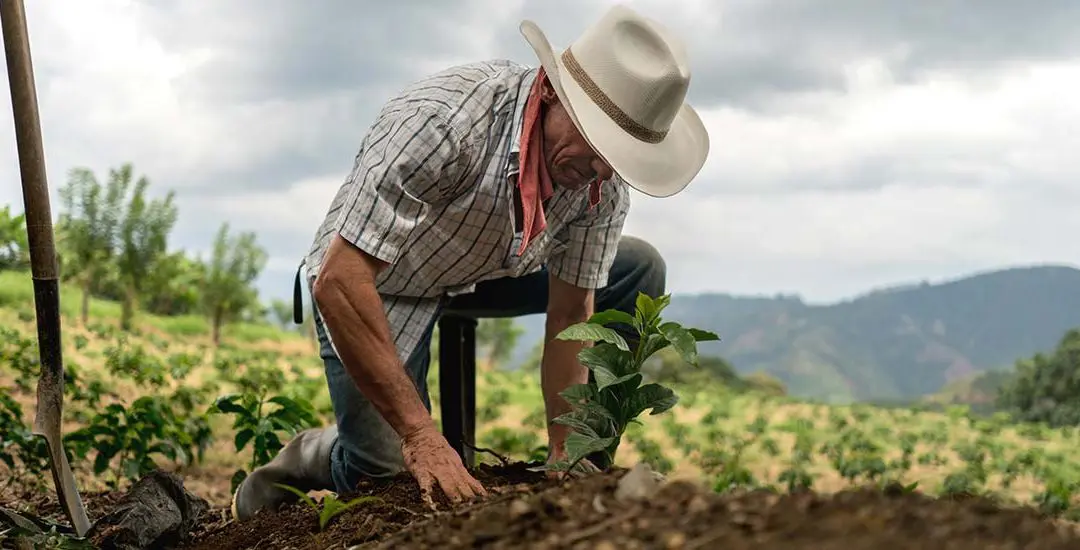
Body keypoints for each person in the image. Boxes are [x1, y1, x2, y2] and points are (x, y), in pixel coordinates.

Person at [230, 3, 709, 520]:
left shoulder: (599, 182)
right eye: (596, 144)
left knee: (638, 267)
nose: (600, 171)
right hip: (381, 279)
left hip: (487, 269)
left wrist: (565, 452)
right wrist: (419, 434)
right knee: (385, 474)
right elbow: (340, 280)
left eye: (616, 158)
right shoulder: (443, 123)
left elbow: (573, 314)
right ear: (550, 91)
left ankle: (587, 468)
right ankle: (313, 453)